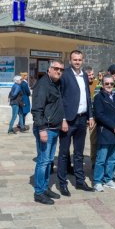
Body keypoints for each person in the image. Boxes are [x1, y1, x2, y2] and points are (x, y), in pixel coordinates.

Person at [58, 50, 95, 196]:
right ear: (70, 60)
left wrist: (90, 116)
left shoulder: (84, 75)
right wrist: (62, 119)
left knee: (79, 153)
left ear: (83, 60)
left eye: (80, 59)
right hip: (68, 120)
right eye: (75, 59)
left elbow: (88, 97)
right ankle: (63, 184)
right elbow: (60, 98)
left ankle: (80, 181)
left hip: (82, 119)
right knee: (63, 154)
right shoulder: (65, 75)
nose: (77, 62)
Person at [31, 60, 65, 205]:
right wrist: (42, 129)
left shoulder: (56, 84)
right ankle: (39, 192)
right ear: (49, 69)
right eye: (56, 68)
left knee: (49, 161)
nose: (58, 71)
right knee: (43, 161)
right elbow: (37, 109)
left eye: (61, 70)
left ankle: (45, 188)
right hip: (46, 128)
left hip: (54, 128)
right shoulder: (43, 84)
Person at [92, 75, 115, 192]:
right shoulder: (98, 97)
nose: (109, 86)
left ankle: (108, 179)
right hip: (105, 131)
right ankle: (97, 181)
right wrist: (114, 126)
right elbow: (99, 115)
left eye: (111, 84)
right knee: (101, 159)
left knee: (113, 158)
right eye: (107, 83)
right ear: (102, 85)